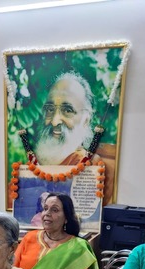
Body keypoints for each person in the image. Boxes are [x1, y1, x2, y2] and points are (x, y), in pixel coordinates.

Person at [35, 71, 116, 205]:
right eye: (50, 109)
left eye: (67, 111)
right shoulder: (35, 160)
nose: (55, 121)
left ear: (85, 120)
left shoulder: (88, 165)